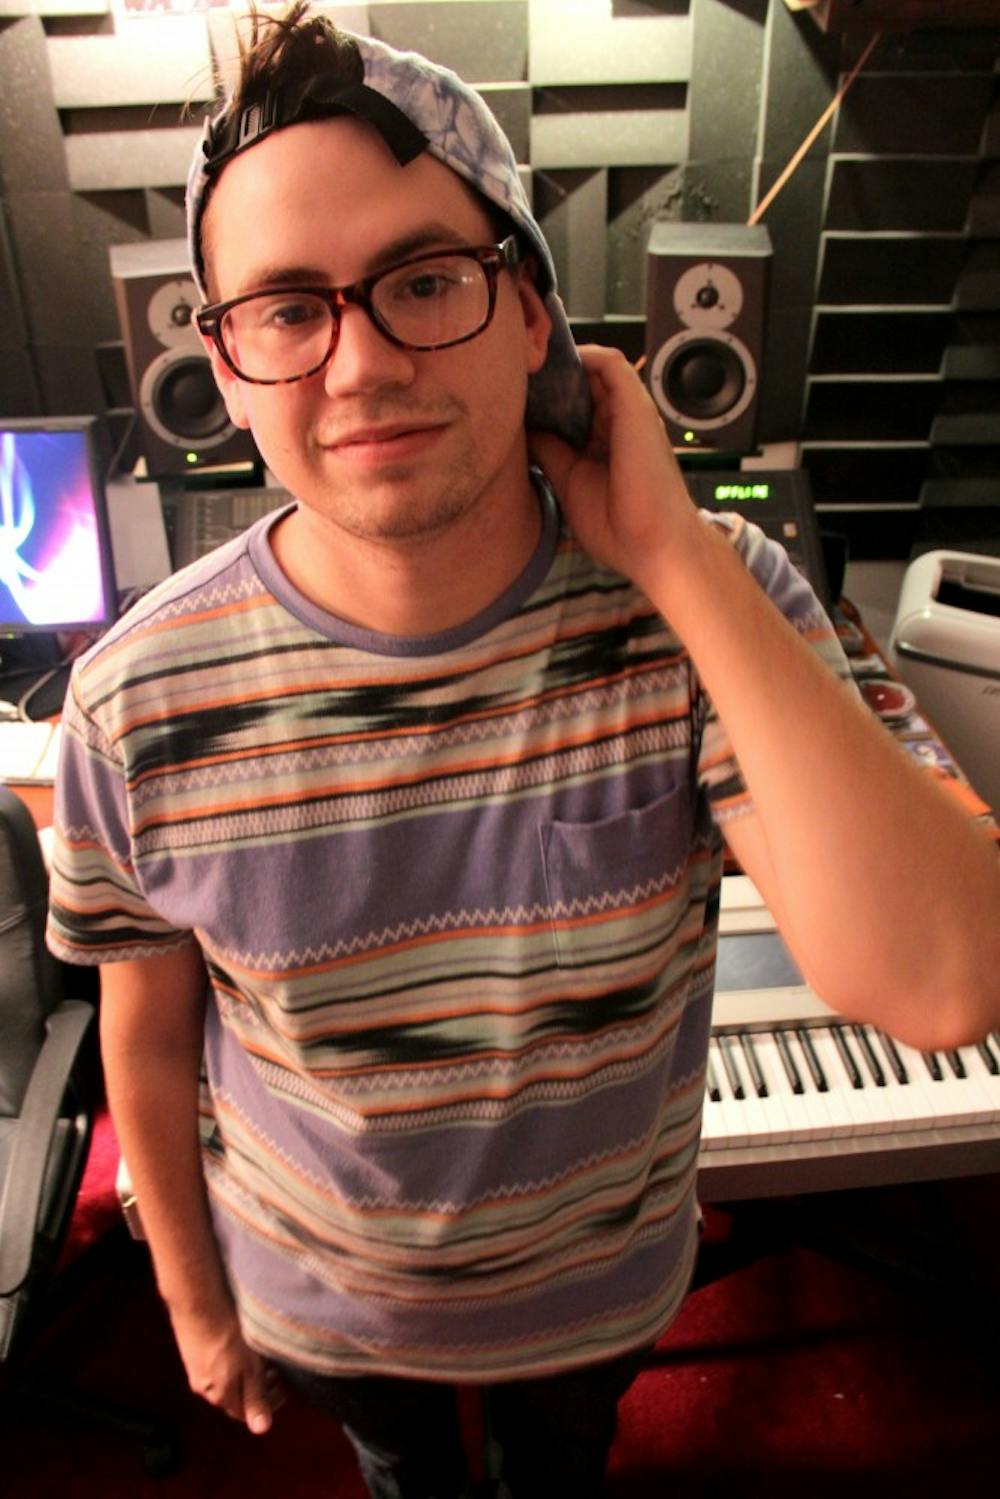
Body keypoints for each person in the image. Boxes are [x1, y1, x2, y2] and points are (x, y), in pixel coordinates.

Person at [47, 5, 1000, 1496]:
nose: (356, 366)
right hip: (334, 1308)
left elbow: (949, 978)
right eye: (287, 309)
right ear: (224, 369)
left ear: (537, 315)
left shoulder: (709, 600)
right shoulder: (131, 696)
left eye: (425, 279)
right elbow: (151, 1034)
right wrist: (192, 1303)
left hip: (598, 1300)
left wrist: (675, 560)